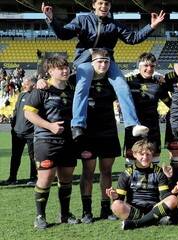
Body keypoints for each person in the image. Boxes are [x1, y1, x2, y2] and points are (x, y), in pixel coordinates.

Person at [41, 0, 163, 139]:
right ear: (93, 5)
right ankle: (78, 125)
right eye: (100, 3)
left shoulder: (114, 24)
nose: (104, 6)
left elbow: (133, 38)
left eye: (107, 4)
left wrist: (151, 26)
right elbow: (63, 34)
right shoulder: (82, 20)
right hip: (86, 60)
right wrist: (50, 18)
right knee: (82, 85)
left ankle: (133, 124)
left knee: (122, 86)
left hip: (107, 61)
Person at [23, 55, 79, 229]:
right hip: (46, 141)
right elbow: (29, 114)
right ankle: (40, 216)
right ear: (50, 71)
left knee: (66, 178)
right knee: (45, 178)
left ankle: (64, 214)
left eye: (66, 67)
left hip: (69, 141)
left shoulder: (73, 88)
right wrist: (50, 126)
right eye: (60, 68)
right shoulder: (41, 90)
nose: (65, 70)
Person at [74, 49, 122, 223]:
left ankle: (105, 209)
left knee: (107, 171)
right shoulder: (78, 79)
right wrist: (42, 79)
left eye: (106, 62)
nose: (103, 65)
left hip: (108, 131)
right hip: (87, 133)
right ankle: (87, 211)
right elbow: (58, 81)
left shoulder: (113, 81)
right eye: (99, 61)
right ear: (91, 63)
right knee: (88, 171)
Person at [106, 140, 178, 230]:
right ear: (134, 154)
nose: (145, 157)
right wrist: (114, 196)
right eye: (141, 154)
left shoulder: (159, 172)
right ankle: (154, 220)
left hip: (154, 208)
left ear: (152, 155)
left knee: (172, 199)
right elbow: (120, 200)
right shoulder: (126, 174)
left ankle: (138, 223)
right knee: (115, 205)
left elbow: (164, 195)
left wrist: (170, 180)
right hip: (134, 210)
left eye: (148, 154)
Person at [123, 53, 171, 164]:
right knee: (131, 162)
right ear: (139, 66)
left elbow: (169, 102)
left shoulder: (158, 83)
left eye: (152, 66)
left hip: (152, 128)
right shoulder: (128, 81)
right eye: (146, 65)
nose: (149, 69)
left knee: (154, 161)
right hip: (133, 128)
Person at [3, 76, 36, 186]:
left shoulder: (37, 95)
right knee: (15, 156)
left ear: (33, 83)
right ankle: (12, 178)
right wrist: (13, 127)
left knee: (33, 157)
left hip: (31, 133)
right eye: (24, 83)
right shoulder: (21, 95)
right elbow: (16, 111)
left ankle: (33, 178)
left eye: (26, 83)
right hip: (17, 132)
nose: (24, 84)